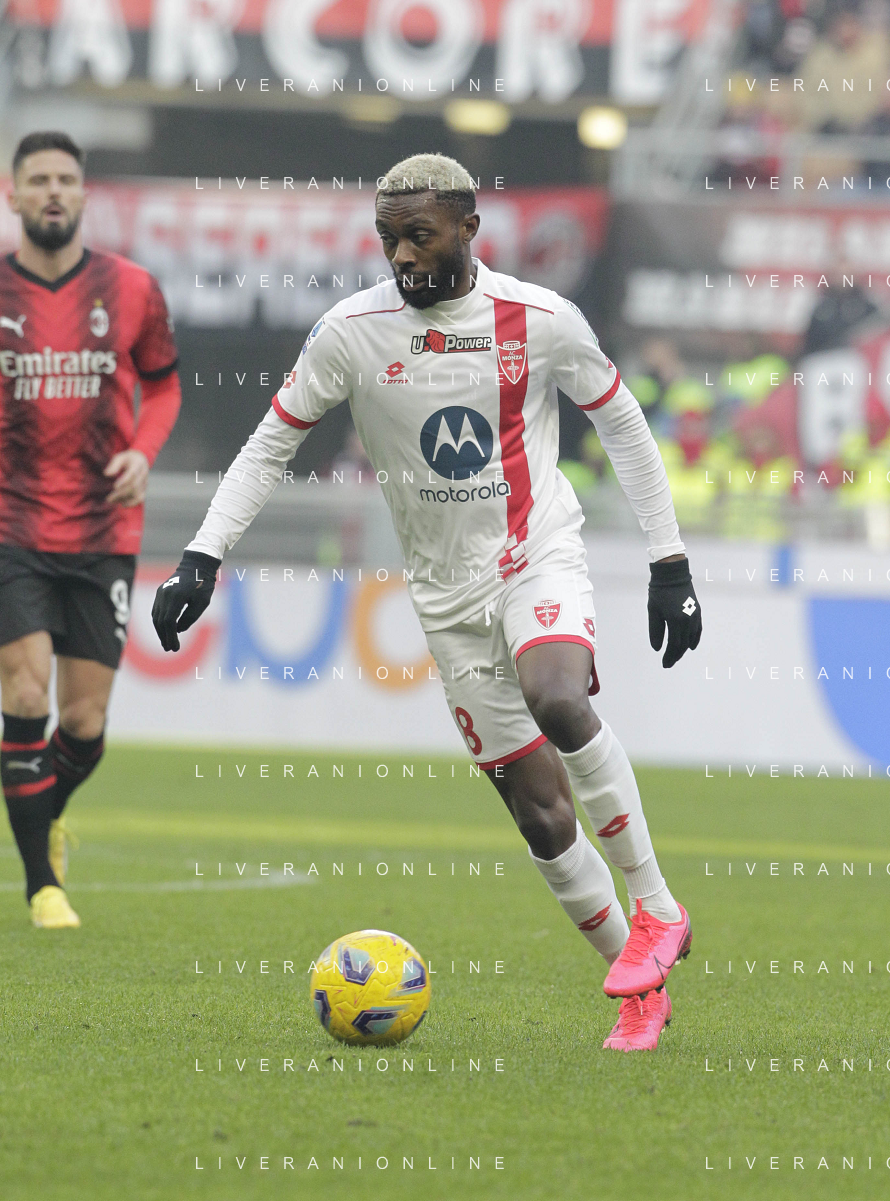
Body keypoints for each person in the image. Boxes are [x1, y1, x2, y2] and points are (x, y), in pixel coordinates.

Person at [152, 154, 701, 1052]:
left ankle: (657, 907)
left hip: (535, 553)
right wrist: (202, 557)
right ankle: (639, 992)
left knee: (558, 697)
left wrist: (668, 562)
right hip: (445, 597)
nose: (403, 255)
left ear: (468, 229)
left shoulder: (540, 318)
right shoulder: (350, 333)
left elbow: (623, 421)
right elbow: (270, 443)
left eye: (420, 235)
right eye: (389, 239)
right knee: (539, 813)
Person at [0, 132, 181, 928]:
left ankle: (40, 807)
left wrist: (143, 451)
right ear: (13, 194)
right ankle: (44, 886)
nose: (52, 190)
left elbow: (164, 386)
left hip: (104, 529)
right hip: (11, 522)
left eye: (65, 179)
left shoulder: (132, 288)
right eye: (37, 178)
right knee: (24, 691)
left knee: (83, 724)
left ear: (82, 193)